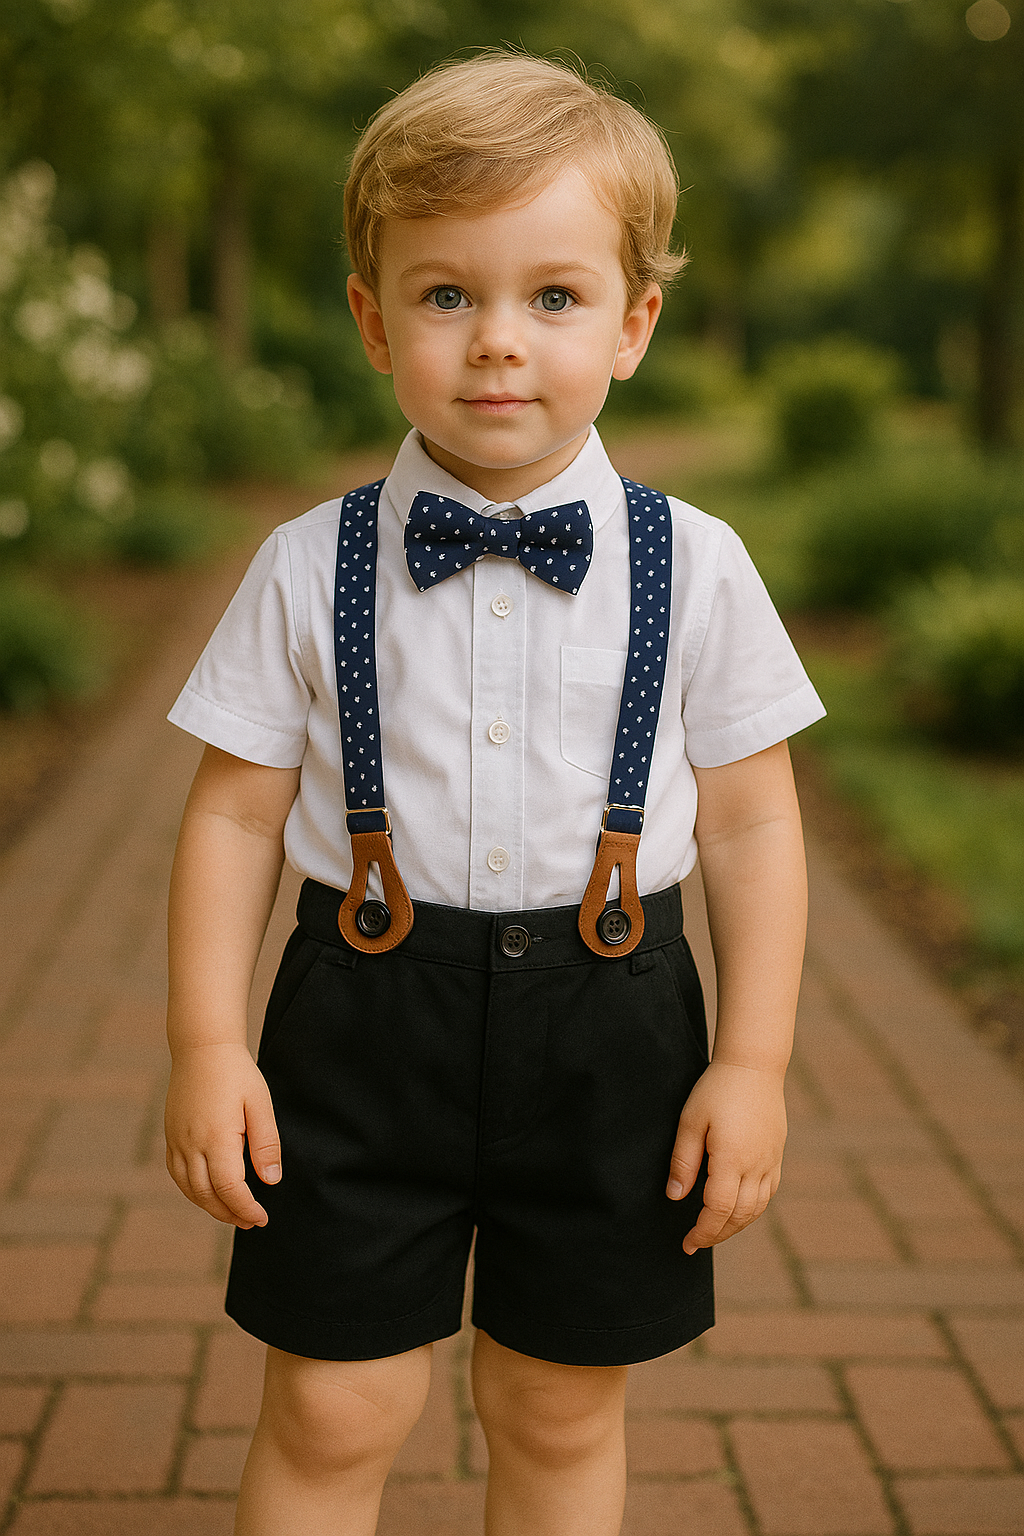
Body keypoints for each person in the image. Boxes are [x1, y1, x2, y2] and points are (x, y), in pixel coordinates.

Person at [164, 50, 824, 1536]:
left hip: (613, 1034)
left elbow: (756, 823)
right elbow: (232, 814)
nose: (499, 342)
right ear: (372, 319)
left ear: (634, 324)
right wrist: (205, 1042)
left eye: (556, 296)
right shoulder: (305, 564)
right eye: (447, 294)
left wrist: (754, 1063)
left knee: (558, 1403)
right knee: (333, 1404)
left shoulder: (698, 565)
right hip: (359, 1026)